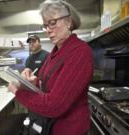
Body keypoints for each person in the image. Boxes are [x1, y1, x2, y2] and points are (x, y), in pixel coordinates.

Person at [8, 0, 93, 135]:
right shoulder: (54, 53)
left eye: (52, 23)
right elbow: (45, 85)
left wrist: (18, 92)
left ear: (69, 22)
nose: (48, 29)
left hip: (69, 129)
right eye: (45, 25)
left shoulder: (80, 52)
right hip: (50, 126)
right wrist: (33, 82)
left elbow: (54, 106)